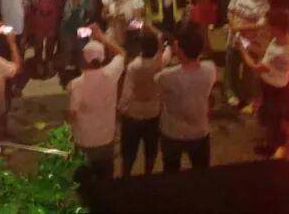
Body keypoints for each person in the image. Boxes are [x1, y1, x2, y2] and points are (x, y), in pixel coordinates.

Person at [67, 23, 126, 181]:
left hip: (84, 141)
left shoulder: (76, 85)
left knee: (83, 181)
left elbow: (72, 115)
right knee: (105, 180)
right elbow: (121, 53)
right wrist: (102, 37)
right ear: (103, 58)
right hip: (106, 139)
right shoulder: (111, 74)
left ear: (84, 59)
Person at [155, 24, 216, 172]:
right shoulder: (210, 69)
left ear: (179, 48)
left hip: (172, 133)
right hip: (200, 131)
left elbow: (156, 75)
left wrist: (161, 50)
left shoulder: (168, 76)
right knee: (201, 173)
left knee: (171, 172)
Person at [237, 8, 289, 154]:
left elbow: (256, 67)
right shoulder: (288, 39)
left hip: (273, 87)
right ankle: (273, 141)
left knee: (273, 118)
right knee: (274, 116)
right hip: (281, 83)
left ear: (277, 28)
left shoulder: (279, 51)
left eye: (270, 26)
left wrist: (242, 49)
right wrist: (249, 44)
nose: (267, 28)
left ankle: (271, 147)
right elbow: (265, 54)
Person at [119, 29, 167, 177]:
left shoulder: (134, 66)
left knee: (129, 153)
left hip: (133, 114)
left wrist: (121, 109)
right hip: (153, 113)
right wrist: (161, 43)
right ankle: (147, 177)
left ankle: (126, 178)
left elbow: (127, 93)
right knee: (150, 152)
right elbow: (165, 50)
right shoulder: (160, 63)